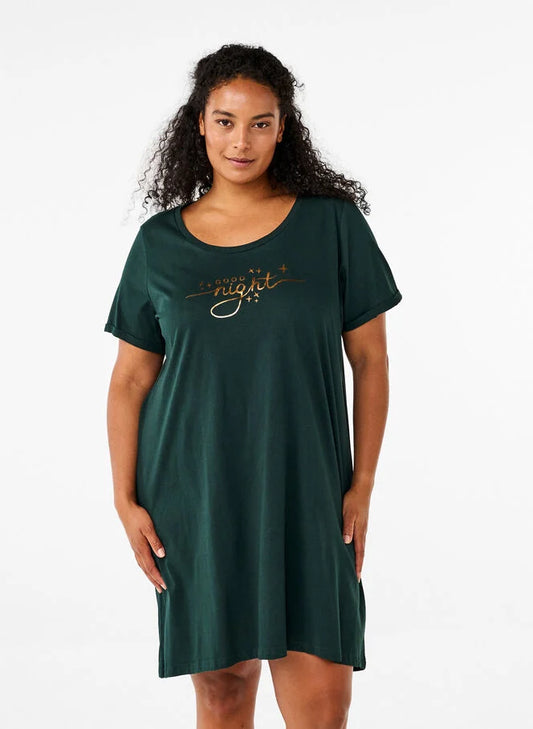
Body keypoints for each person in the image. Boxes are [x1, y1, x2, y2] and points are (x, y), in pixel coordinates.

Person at [104, 43, 402, 728]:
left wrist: (361, 482)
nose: (242, 141)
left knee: (322, 705)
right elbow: (130, 379)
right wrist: (124, 499)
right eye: (226, 121)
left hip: (309, 488)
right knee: (221, 692)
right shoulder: (159, 244)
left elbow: (371, 360)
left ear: (282, 128)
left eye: (261, 123)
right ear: (199, 125)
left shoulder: (331, 225)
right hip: (195, 491)